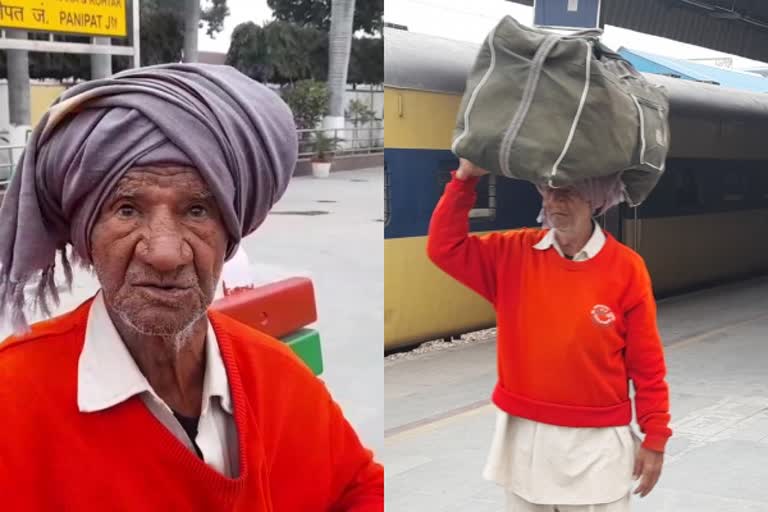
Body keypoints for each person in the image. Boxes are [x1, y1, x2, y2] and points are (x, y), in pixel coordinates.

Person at [0, 63, 383, 511]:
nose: (165, 253)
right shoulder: (15, 398)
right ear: (87, 233)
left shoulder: (277, 377)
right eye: (127, 209)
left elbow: (358, 489)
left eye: (197, 210)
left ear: (229, 233)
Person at [426, 158, 671, 512]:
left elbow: (647, 365)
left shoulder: (627, 268)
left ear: (595, 199)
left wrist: (656, 437)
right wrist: (464, 180)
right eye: (549, 192)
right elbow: (444, 249)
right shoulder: (512, 254)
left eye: (568, 193)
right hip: (525, 439)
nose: (555, 203)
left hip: (598, 446)